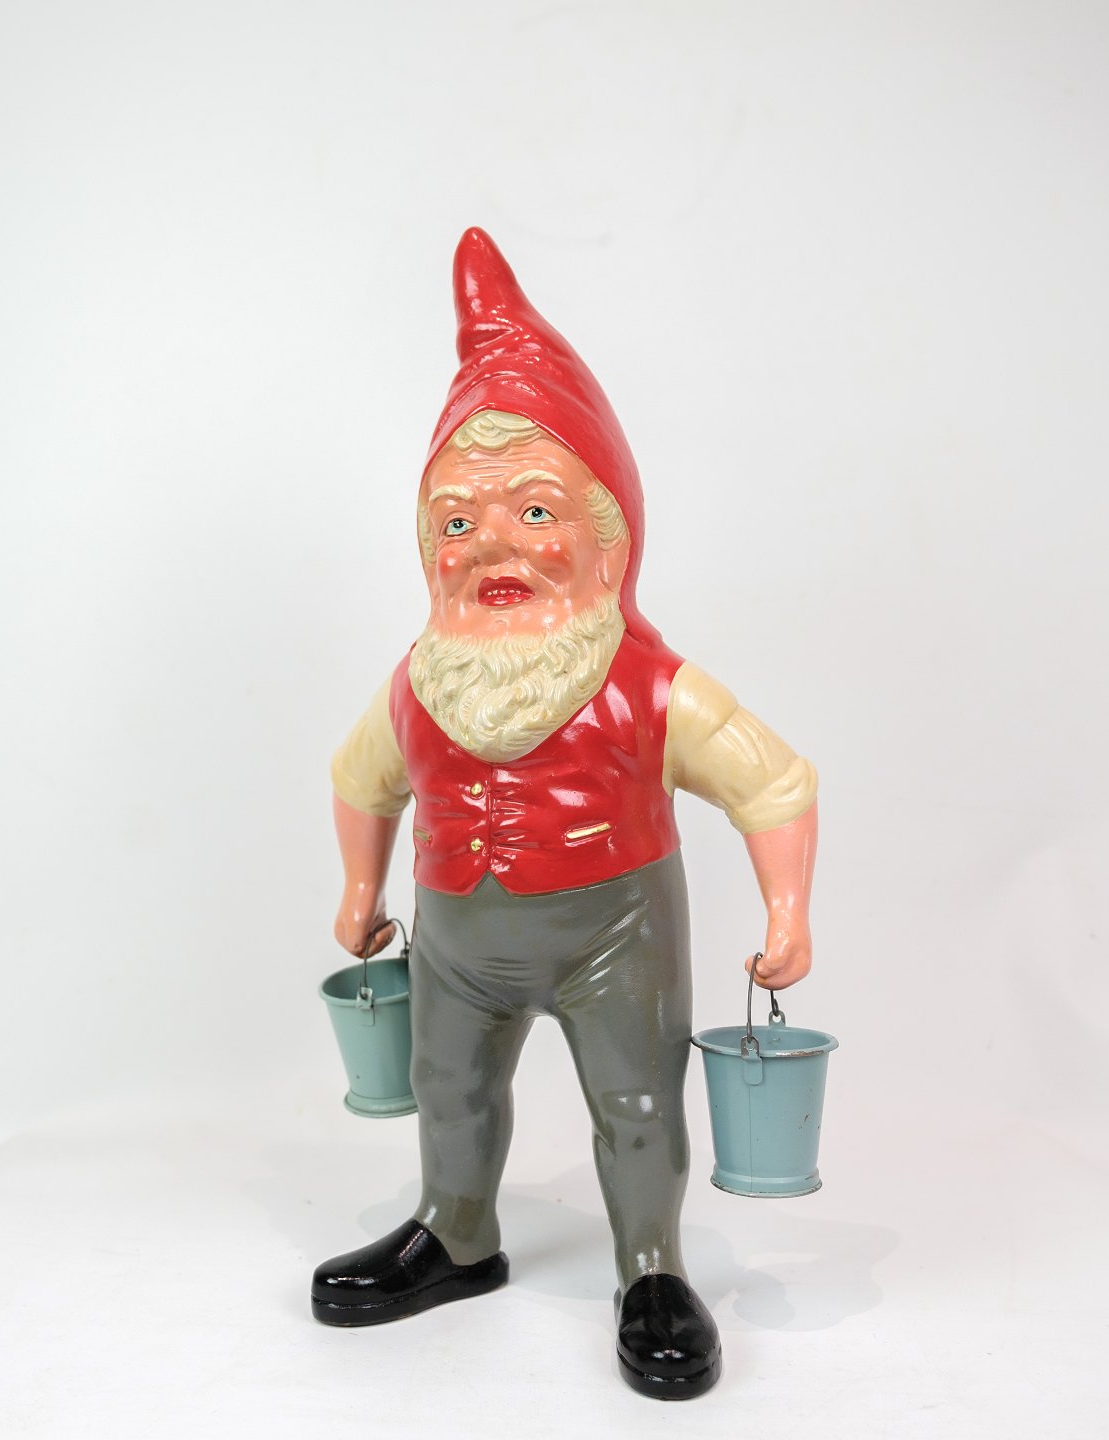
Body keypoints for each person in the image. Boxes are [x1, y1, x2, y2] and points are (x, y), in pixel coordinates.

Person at [312, 229, 818, 1401]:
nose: (491, 542)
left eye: (534, 510)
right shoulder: (419, 681)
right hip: (456, 941)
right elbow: (359, 777)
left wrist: (787, 909)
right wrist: (359, 888)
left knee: (636, 1104)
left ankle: (652, 1269)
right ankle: (455, 1231)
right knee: (449, 1088)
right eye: (456, 521)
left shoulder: (652, 686)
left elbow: (774, 781)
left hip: (612, 938)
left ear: (607, 538)